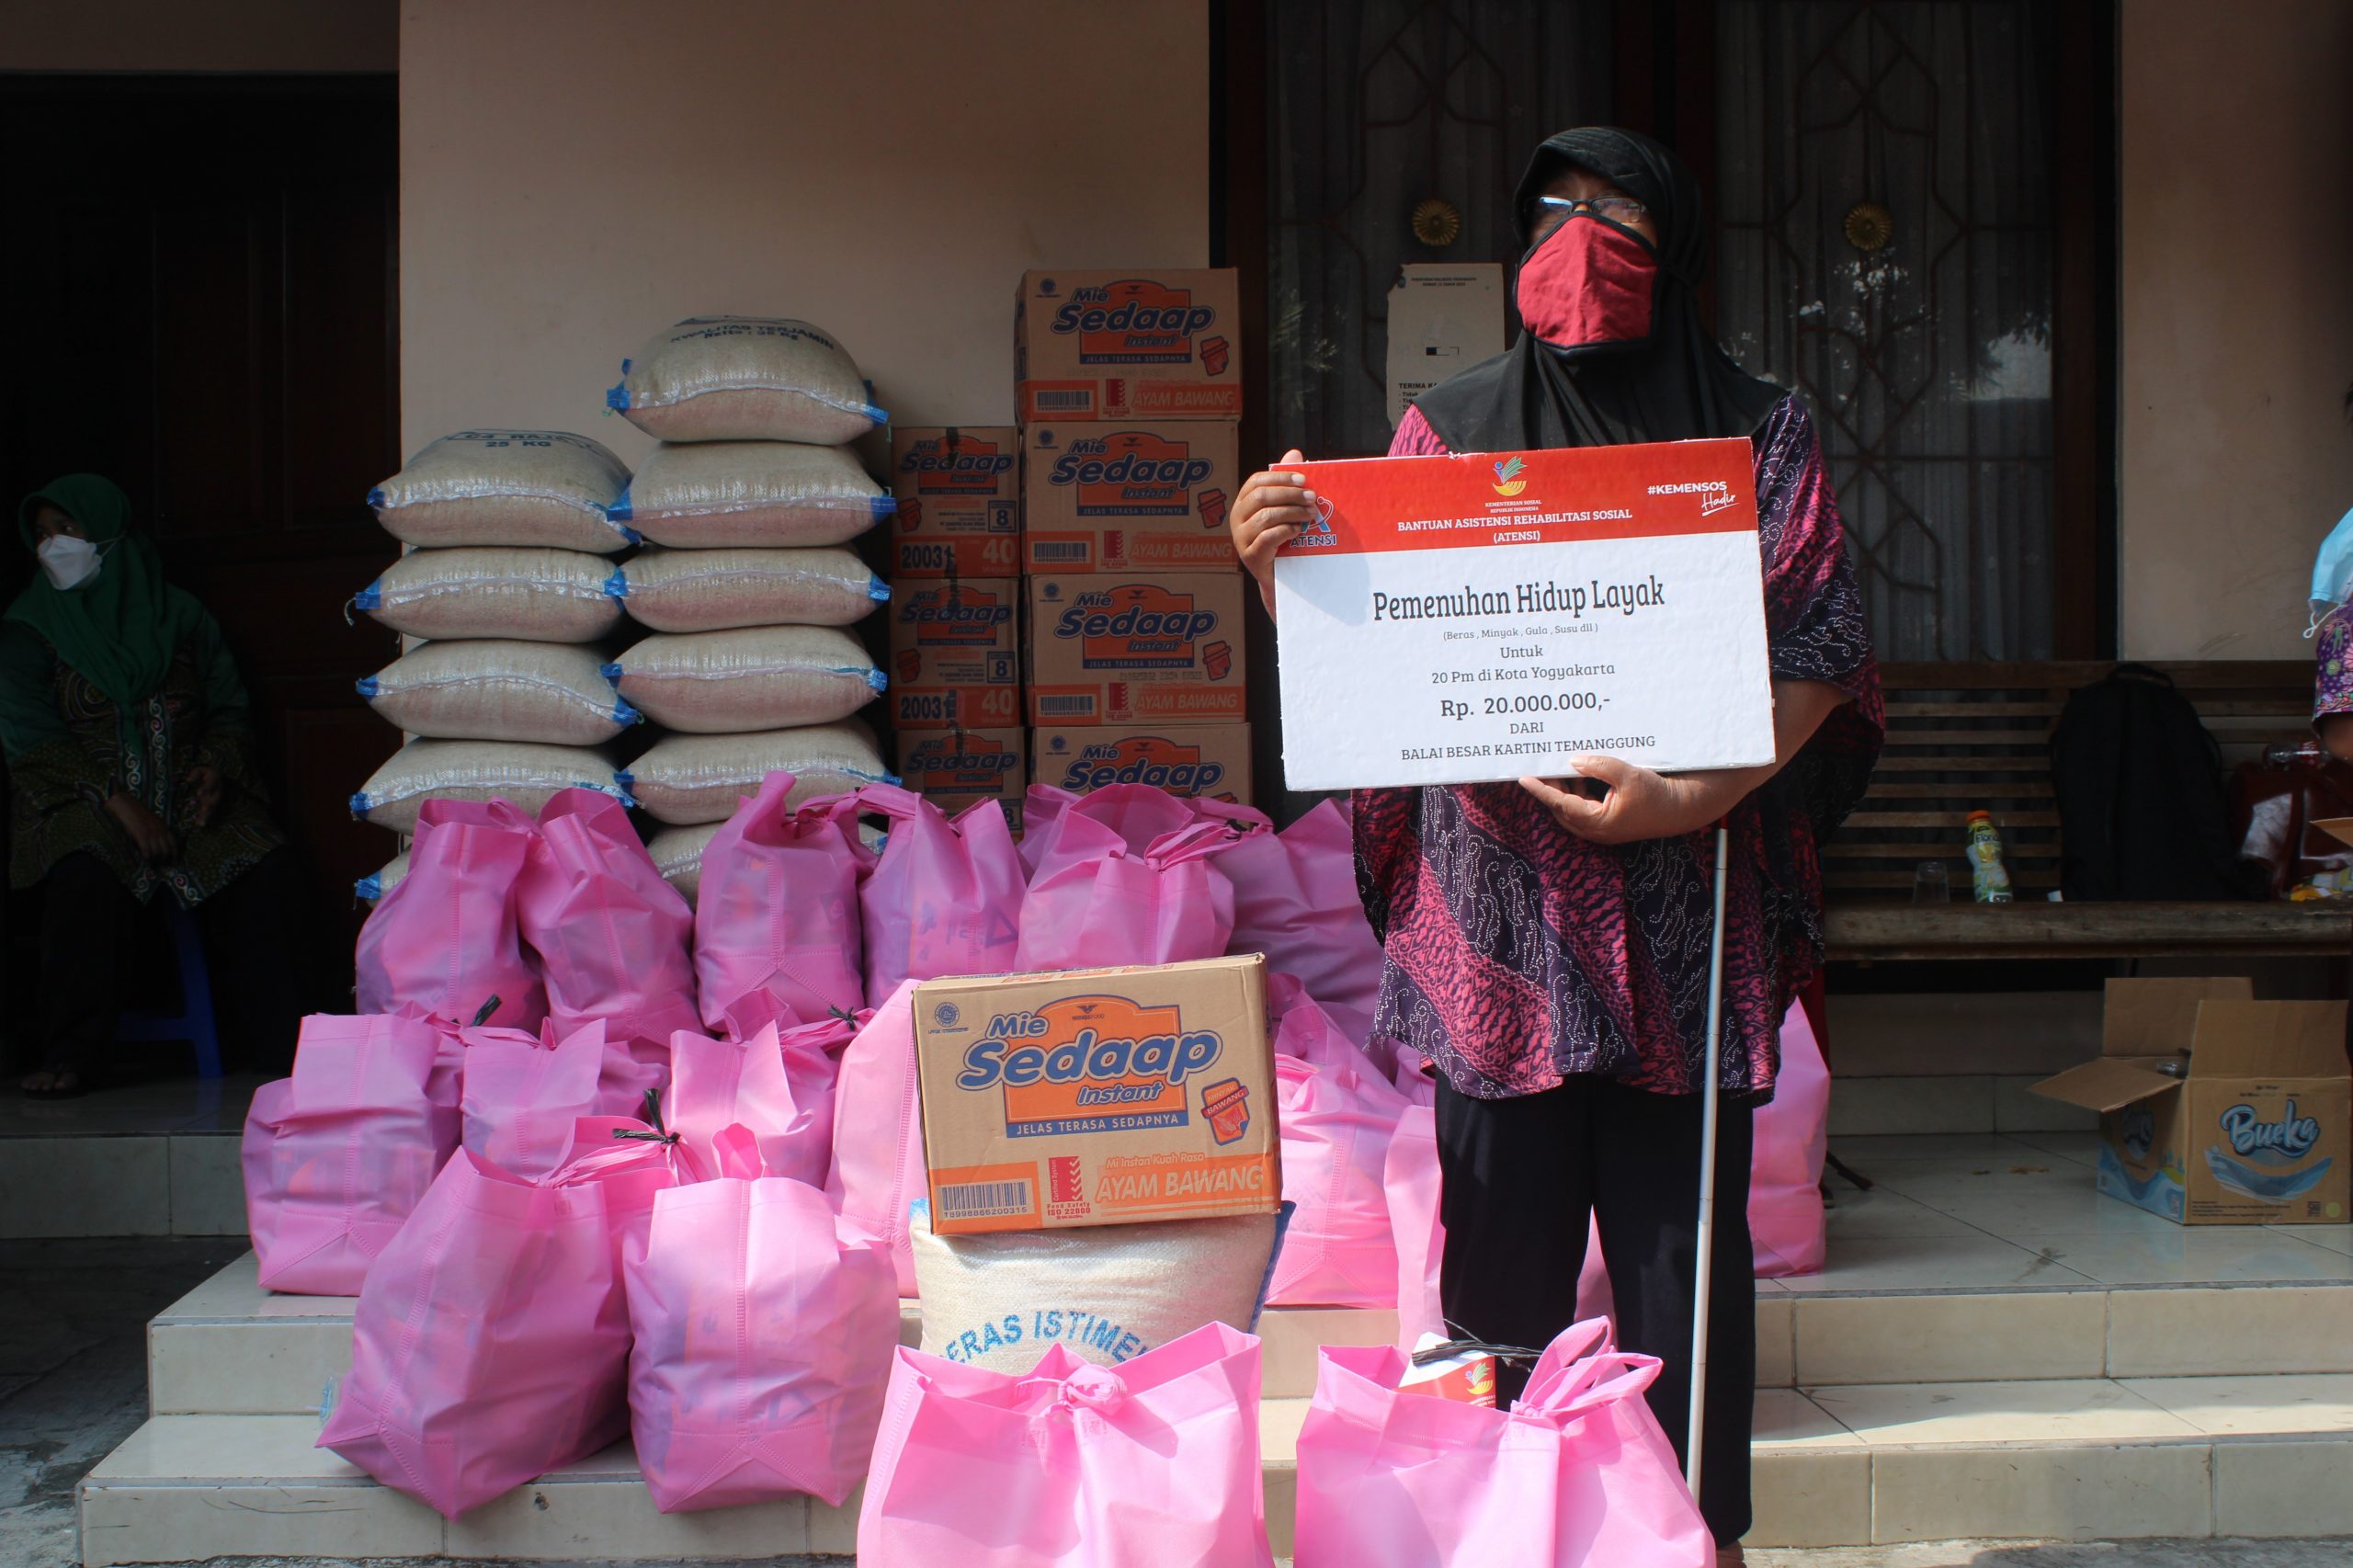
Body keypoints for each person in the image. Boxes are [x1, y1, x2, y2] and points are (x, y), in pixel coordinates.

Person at [1228, 128, 1882, 1562]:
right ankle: (1496, 1537)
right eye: (1555, 211)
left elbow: (1825, 646)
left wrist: (1690, 798)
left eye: (1623, 212)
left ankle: (1693, 1540)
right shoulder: (1446, 435)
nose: (1585, 241)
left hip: (1684, 923)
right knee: (1498, 1292)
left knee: (1679, 1290)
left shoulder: (1757, 433)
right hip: (1498, 934)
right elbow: (1378, 676)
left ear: (1682, 240)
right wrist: (1281, 570)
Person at [1, 474, 305, 1096]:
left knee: (261, 859)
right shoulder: (29, 627)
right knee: (83, 869)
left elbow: (228, 706)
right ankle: (70, 1055)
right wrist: (123, 806)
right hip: (83, 802)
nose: (54, 546)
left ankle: (286, 1048)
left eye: (68, 530)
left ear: (110, 532)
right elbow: (31, 737)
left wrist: (217, 764)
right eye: (41, 535)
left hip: (185, 798)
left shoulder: (182, 616)